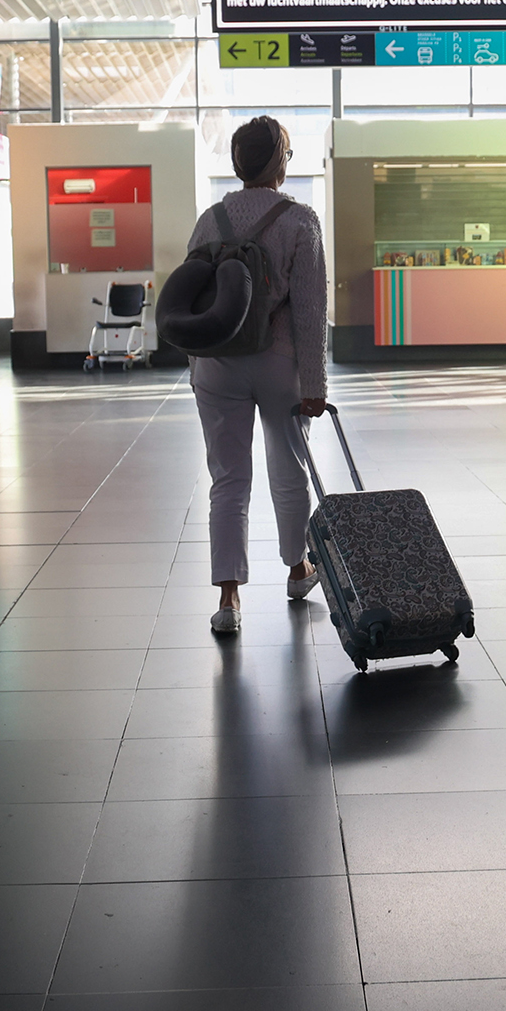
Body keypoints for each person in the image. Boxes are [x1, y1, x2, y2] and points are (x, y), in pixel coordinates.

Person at [190, 116, 329, 635]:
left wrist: (196, 371)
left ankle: (229, 601)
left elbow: (193, 300)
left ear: (236, 163)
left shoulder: (211, 219)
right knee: (289, 470)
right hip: (280, 364)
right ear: (280, 163)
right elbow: (310, 311)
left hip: (218, 364)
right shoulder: (300, 221)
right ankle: (297, 570)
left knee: (228, 479)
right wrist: (314, 386)